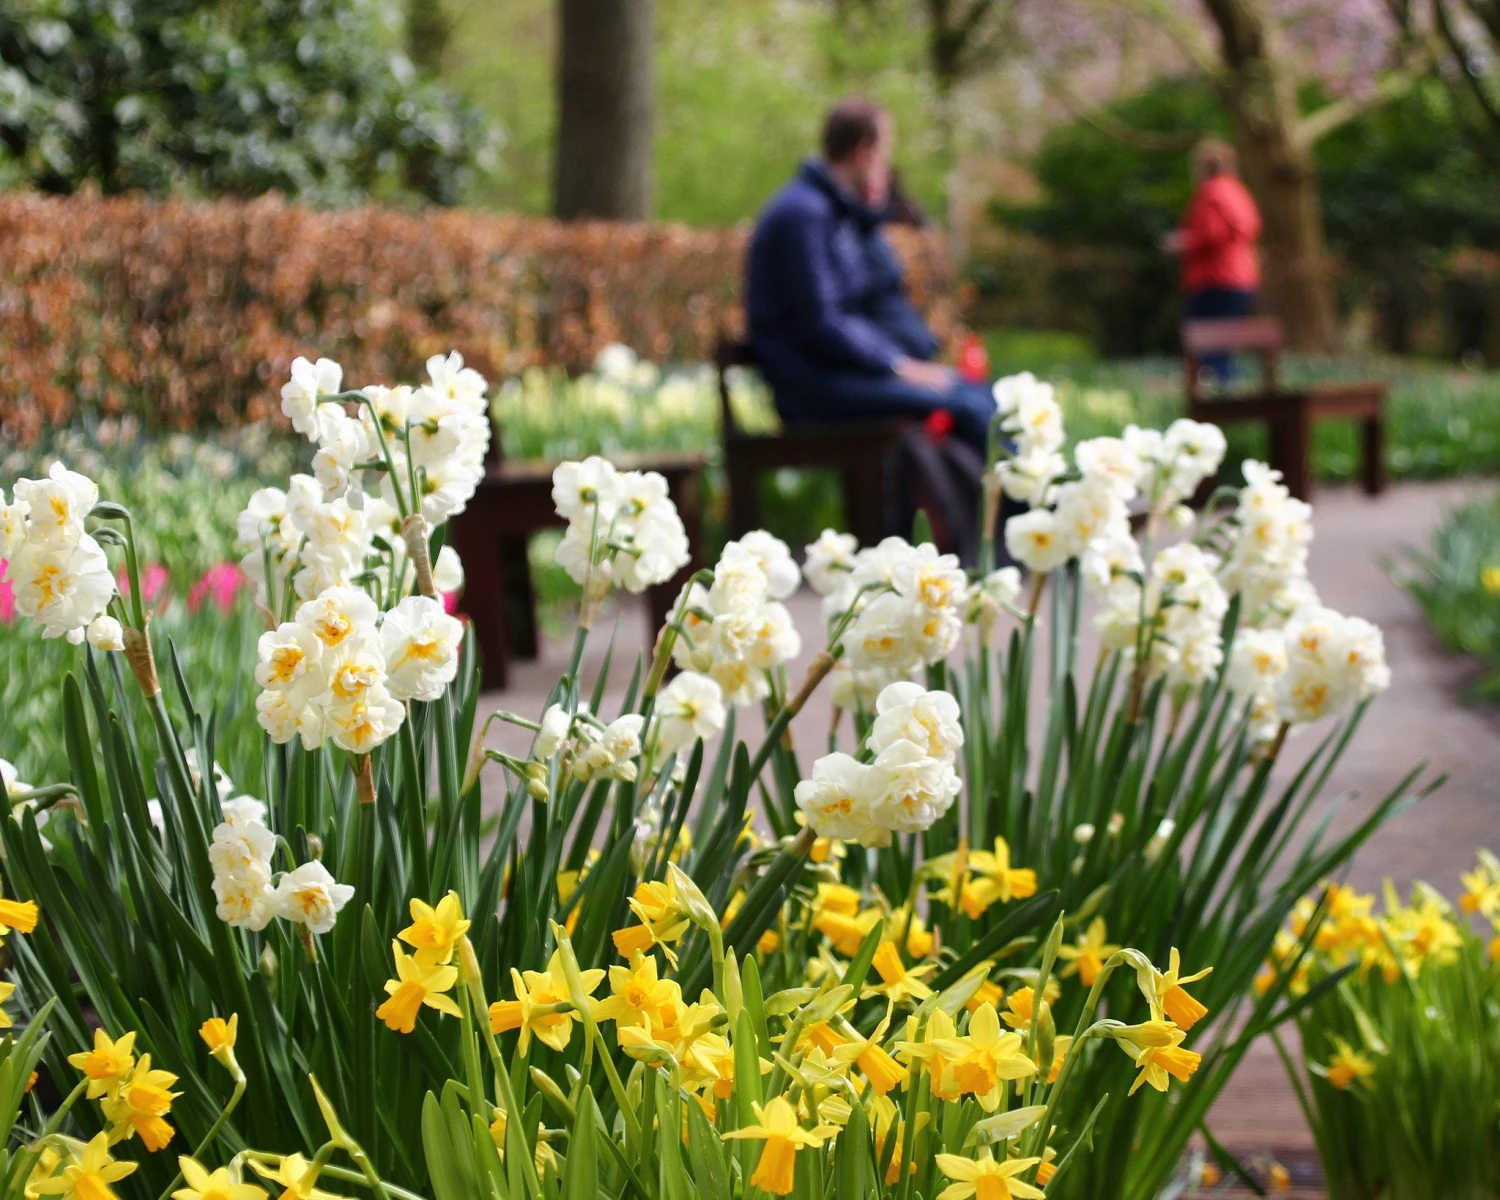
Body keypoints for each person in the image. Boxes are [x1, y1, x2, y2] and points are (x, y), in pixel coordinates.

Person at [745, 97, 996, 460]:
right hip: (812, 387)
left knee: (979, 395)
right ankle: (1001, 516)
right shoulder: (805, 215)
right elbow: (822, 321)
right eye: (885, 150)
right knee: (971, 408)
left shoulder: (832, 212)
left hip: (840, 375)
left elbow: (870, 293)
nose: (886, 163)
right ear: (864, 151)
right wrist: (898, 366)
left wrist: (901, 361)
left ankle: (995, 515)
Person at [1163, 138, 1262, 379]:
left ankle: (1216, 391)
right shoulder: (1237, 190)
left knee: (1202, 339)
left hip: (1214, 277)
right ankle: (1226, 388)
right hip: (1241, 276)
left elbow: (1212, 233)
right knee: (1222, 339)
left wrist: (1182, 241)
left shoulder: (1211, 192)